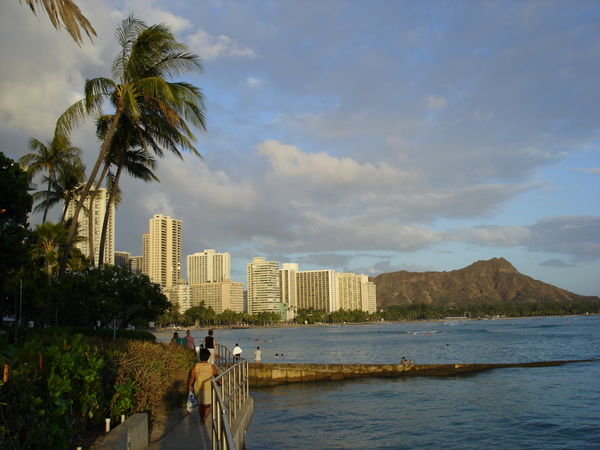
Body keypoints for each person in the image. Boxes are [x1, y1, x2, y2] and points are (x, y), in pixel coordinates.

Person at [187, 348, 219, 423]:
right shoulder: (212, 367)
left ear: (200, 356)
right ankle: (204, 417)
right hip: (208, 389)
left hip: (197, 387)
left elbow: (192, 378)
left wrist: (190, 386)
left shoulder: (195, 366)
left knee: (201, 404)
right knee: (208, 405)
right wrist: (219, 383)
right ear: (208, 357)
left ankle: (202, 417)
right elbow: (216, 376)